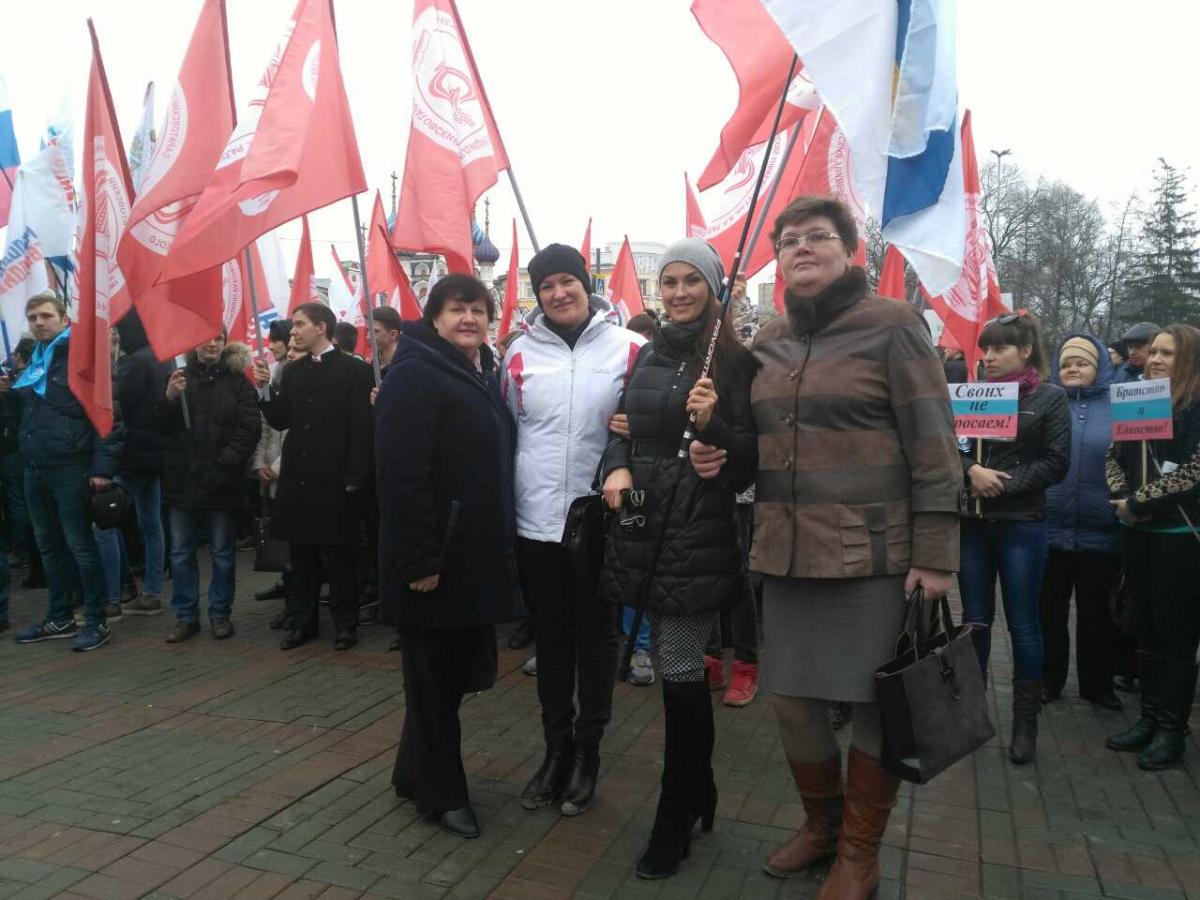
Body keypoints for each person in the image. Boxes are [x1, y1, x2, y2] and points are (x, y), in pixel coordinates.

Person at [695, 197, 962, 896]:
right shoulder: (774, 339)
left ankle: (859, 851)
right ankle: (821, 825)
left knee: (876, 704)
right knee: (792, 701)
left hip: (875, 557)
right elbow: (762, 449)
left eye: (818, 237)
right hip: (785, 552)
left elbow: (935, 446)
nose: (801, 248)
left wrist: (935, 553)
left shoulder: (894, 326)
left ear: (851, 252)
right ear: (777, 261)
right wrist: (721, 454)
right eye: (788, 241)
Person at [599, 239, 757, 879]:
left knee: (682, 667)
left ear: (715, 288)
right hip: (641, 520)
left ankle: (674, 815)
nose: (680, 292)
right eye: (669, 281)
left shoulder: (738, 362)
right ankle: (702, 791)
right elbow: (622, 432)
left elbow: (751, 459)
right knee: (668, 663)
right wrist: (614, 471)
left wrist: (716, 432)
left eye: (693, 280)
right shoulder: (646, 355)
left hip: (699, 529)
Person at [500, 243, 645, 818]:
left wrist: (640, 427)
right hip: (536, 520)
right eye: (547, 286)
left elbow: (657, 427)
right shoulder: (516, 355)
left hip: (600, 518)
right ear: (537, 296)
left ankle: (588, 753)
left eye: (568, 281)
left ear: (588, 284)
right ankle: (556, 751)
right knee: (553, 641)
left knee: (597, 638)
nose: (559, 293)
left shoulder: (631, 348)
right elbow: (509, 428)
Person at [379, 275, 519, 839]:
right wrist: (419, 560)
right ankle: (442, 794)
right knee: (434, 681)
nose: (470, 318)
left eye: (479, 310)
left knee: (447, 678)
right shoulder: (415, 375)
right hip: (433, 562)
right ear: (433, 317)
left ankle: (412, 772)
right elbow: (400, 475)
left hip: (468, 558)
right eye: (457, 309)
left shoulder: (474, 371)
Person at [959, 312, 1071, 766]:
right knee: (974, 619)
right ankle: (970, 715)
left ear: (1025, 351)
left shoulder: (1049, 399)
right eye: (985, 348)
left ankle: (1025, 722)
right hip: (973, 524)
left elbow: (1056, 461)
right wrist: (971, 471)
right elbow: (954, 445)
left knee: (1024, 623)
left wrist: (1001, 482)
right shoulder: (972, 396)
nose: (988, 357)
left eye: (999, 348)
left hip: (1022, 521)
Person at [1105, 324, 1200, 770]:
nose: (1157, 359)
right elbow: (1114, 454)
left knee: (1175, 633)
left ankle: (1171, 729)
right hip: (1137, 532)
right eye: (1155, 351)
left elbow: (1193, 471)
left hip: (1180, 538)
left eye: (1169, 353)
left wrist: (1141, 502)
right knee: (1144, 626)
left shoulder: (1196, 406)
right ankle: (1147, 717)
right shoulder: (1138, 397)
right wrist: (1124, 499)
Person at [253, 303, 374, 652]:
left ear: (321, 328)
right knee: (302, 559)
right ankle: (303, 623)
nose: (293, 332)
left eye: (300, 325)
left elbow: (360, 427)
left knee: (340, 561)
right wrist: (263, 390)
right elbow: (280, 419)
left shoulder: (354, 370)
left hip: (336, 480)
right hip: (299, 479)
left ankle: (345, 625)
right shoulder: (292, 371)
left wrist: (355, 476)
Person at [10, 292, 125, 652]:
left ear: (63, 319)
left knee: (80, 546)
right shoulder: (36, 361)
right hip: (35, 467)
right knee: (49, 548)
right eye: (32, 318)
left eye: (45, 316)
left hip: (70, 468)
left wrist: (102, 467)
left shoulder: (81, 358)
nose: (39, 323)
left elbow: (109, 415)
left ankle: (96, 621)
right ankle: (60, 616)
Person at [1039, 334, 1130, 710]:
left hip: (1103, 531)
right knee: (1048, 613)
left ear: (1100, 369)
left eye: (1082, 363)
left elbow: (1140, 457)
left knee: (1098, 617)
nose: (1073, 369)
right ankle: (1048, 680)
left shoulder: (1122, 406)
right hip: (1049, 529)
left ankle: (1098, 685)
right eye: (1066, 364)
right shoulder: (1046, 403)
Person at [157, 332, 260, 641]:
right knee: (181, 552)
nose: (212, 344)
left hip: (221, 482)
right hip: (183, 481)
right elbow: (160, 426)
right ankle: (186, 615)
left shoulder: (238, 381)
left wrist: (226, 461)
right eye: (205, 338)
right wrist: (170, 400)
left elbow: (249, 426)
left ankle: (220, 614)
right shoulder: (179, 379)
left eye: (218, 339)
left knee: (222, 553)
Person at [111, 311, 172, 617]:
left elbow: (121, 402)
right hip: (155, 453)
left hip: (132, 454)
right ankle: (151, 591)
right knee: (152, 524)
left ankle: (114, 592)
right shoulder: (162, 356)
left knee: (104, 521)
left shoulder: (135, 361)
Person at [254, 319, 295, 607]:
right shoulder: (275, 373)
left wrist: (278, 468)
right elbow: (266, 425)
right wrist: (259, 464)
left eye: (276, 340)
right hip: (269, 468)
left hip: (287, 472)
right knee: (276, 535)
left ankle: (296, 595)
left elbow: (293, 429)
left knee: (292, 540)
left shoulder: (293, 374)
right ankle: (285, 584)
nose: (272, 346)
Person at [370, 306, 402, 374]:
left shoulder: (407, 368)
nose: (368, 337)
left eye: (375, 331)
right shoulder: (371, 368)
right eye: (368, 331)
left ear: (393, 334)